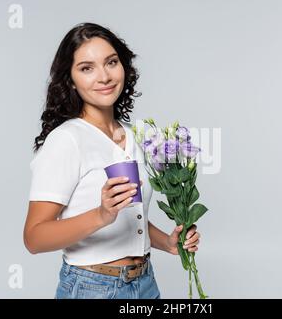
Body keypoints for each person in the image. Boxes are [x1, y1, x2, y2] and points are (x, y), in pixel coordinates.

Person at [23, 22, 201, 299]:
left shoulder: (134, 136)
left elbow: (130, 218)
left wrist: (167, 242)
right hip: (92, 287)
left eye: (111, 62)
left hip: (145, 282)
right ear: (70, 79)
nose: (104, 76)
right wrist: (101, 214)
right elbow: (34, 238)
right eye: (87, 68)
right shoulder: (67, 140)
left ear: (124, 67)